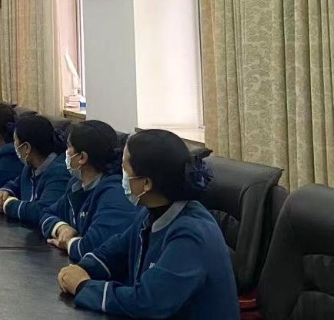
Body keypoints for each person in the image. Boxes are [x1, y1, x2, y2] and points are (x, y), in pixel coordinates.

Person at [57, 130, 238, 319]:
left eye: (125, 169)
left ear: (146, 183)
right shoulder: (151, 214)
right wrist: (83, 268)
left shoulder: (191, 234)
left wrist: (83, 286)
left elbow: (149, 302)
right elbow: (115, 252)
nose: (121, 175)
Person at [40, 120, 137, 262]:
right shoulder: (76, 185)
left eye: (69, 146)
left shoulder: (115, 193)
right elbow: (46, 213)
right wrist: (62, 228)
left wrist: (68, 243)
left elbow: (92, 247)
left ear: (82, 157)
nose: (66, 152)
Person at [0, 115, 71, 226]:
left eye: (15, 142)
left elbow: (43, 210)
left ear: (26, 148)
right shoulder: (29, 167)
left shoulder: (60, 172)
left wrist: (8, 204)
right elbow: (15, 185)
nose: (14, 146)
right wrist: (3, 192)